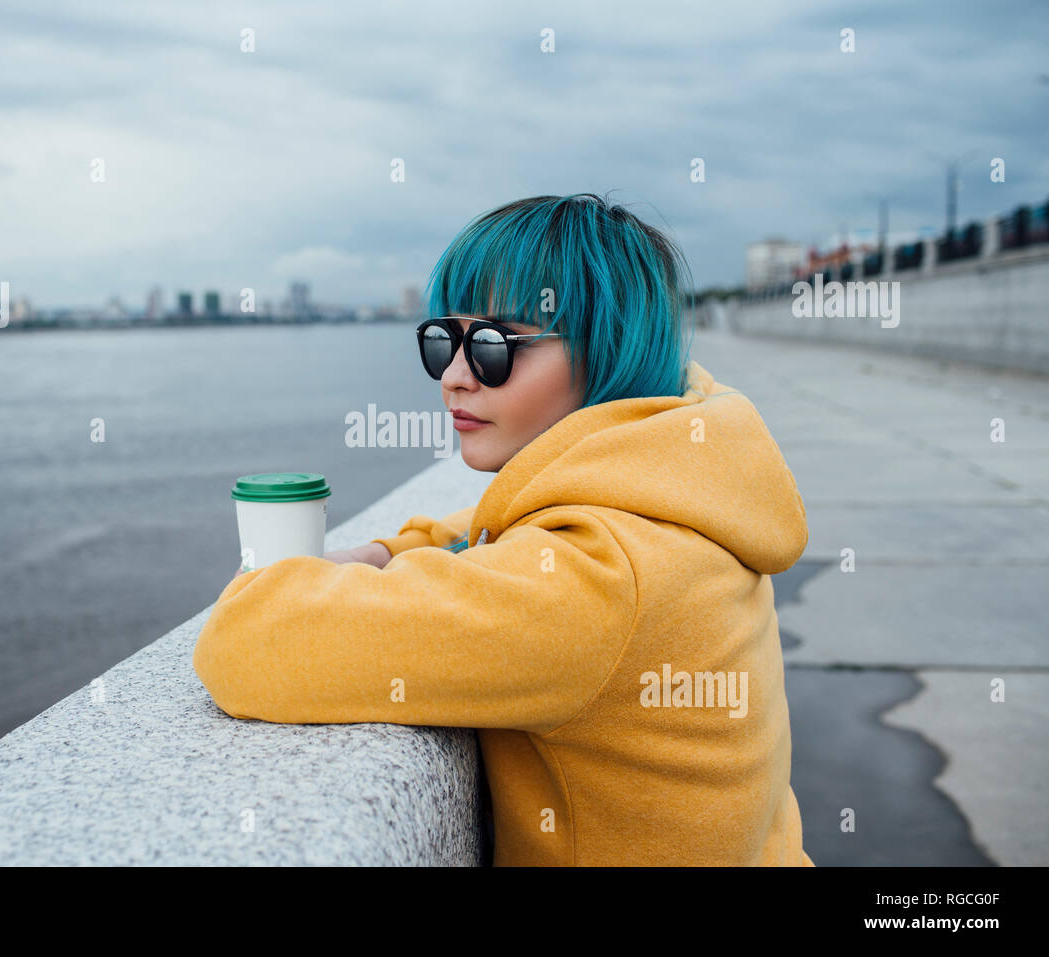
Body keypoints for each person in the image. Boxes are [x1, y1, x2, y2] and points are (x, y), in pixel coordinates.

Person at [194, 192, 814, 866]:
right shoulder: (681, 478)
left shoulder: (590, 582)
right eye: (444, 340)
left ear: (606, 353)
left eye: (492, 345)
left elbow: (243, 641)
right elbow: (496, 526)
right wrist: (383, 549)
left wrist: (277, 568)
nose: (455, 378)